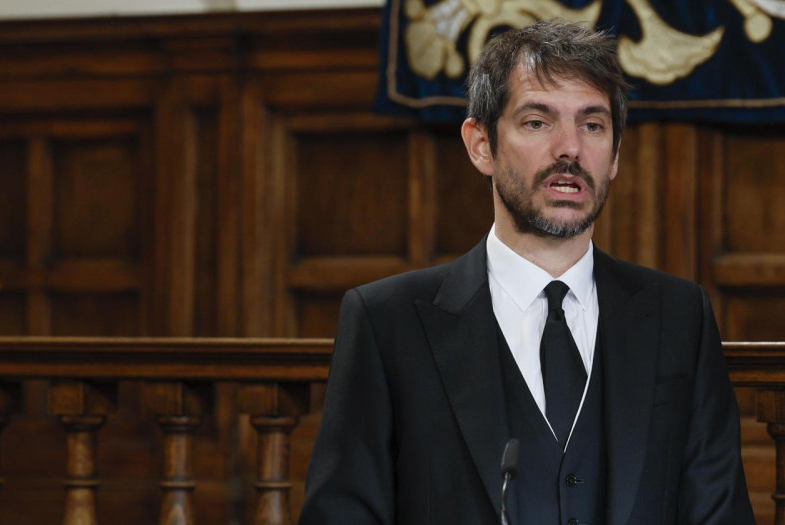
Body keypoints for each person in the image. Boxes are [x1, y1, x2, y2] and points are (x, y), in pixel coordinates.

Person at [298, 20, 755, 525]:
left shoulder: (680, 317)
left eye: (593, 125)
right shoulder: (385, 322)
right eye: (538, 122)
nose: (570, 149)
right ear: (481, 145)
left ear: (616, 155)